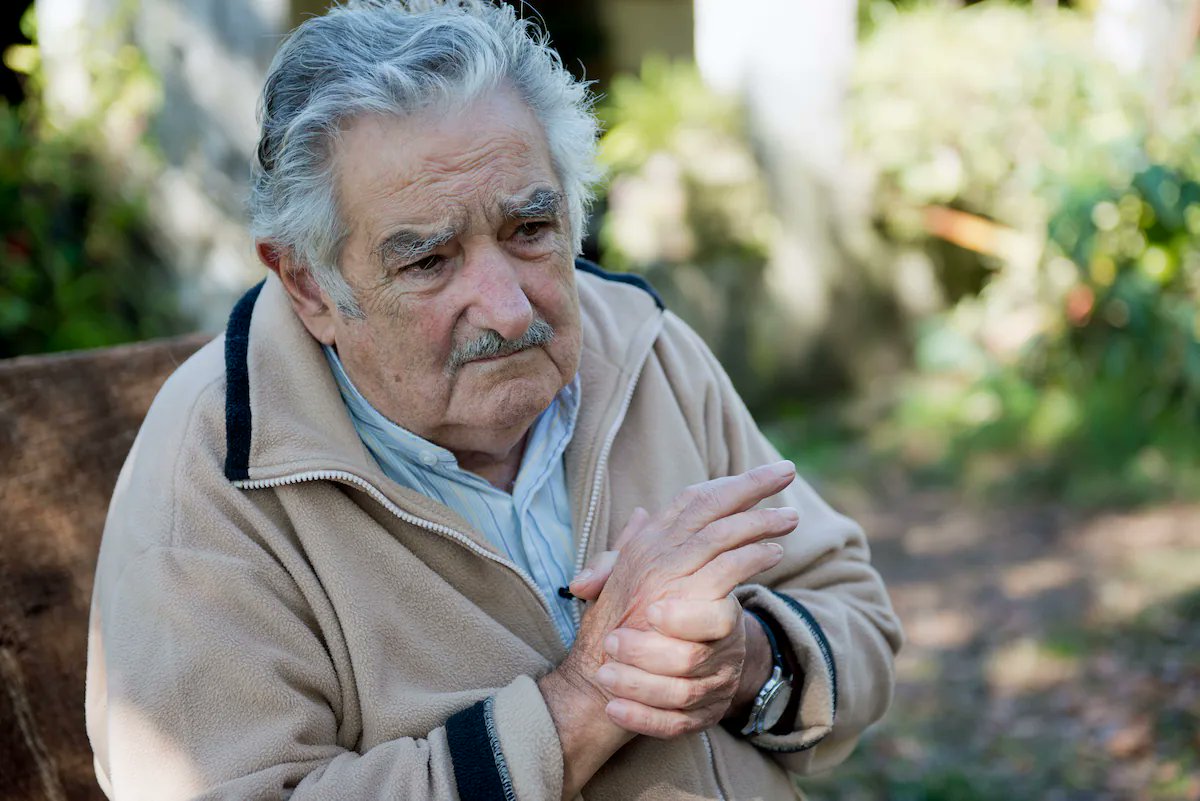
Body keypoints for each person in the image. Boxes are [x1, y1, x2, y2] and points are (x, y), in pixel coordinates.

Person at [85, 2, 902, 799]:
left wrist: (744, 665)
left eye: (529, 230)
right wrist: (583, 700)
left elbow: (855, 614)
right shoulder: (217, 472)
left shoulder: (639, 341)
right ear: (309, 285)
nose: (510, 308)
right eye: (430, 260)